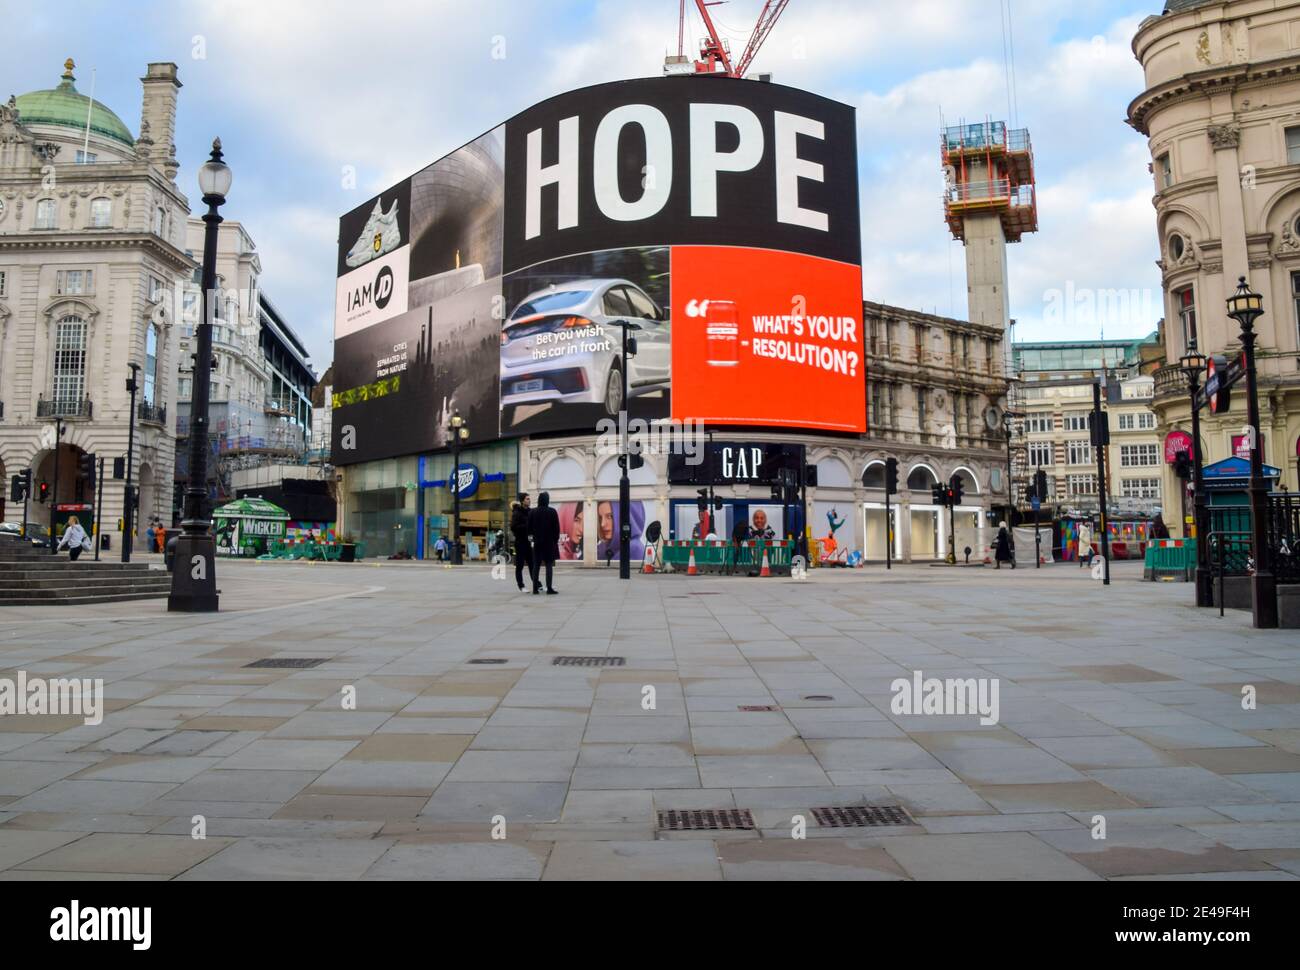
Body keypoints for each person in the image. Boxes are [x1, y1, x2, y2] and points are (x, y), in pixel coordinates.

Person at [528, 491, 560, 594]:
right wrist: (555, 540)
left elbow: (529, 529)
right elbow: (556, 529)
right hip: (549, 543)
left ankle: (535, 589)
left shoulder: (532, 512)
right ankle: (549, 588)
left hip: (537, 542)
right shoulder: (552, 511)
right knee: (549, 565)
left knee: (536, 565)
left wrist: (531, 540)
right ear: (547, 500)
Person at [511, 493, 536, 591]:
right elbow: (513, 527)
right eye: (527, 499)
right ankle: (521, 585)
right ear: (522, 501)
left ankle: (536, 584)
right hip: (520, 542)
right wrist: (527, 526)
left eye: (529, 499)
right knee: (520, 565)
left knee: (532, 564)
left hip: (529, 542)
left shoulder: (530, 511)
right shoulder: (517, 512)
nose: (529, 500)